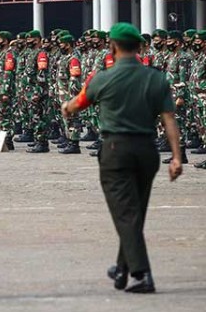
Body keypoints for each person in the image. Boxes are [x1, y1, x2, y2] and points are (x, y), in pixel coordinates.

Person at [62, 22, 183, 294]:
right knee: (134, 212)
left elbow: (76, 104)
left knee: (126, 213)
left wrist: (65, 108)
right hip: (147, 152)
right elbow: (169, 119)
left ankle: (141, 274)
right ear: (139, 47)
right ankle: (121, 269)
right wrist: (176, 157)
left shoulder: (101, 79)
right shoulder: (156, 78)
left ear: (113, 47)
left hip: (116, 152)